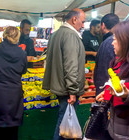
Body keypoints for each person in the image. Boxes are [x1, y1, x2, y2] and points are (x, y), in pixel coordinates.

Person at [42, 8, 86, 140]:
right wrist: (72, 90)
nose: (83, 25)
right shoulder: (71, 35)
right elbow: (71, 65)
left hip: (60, 85)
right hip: (67, 89)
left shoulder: (57, 34)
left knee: (64, 123)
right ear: (74, 19)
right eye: (82, 22)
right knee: (64, 127)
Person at [0, 26, 27, 140]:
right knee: (11, 132)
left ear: (4, 35)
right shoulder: (22, 53)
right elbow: (23, 70)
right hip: (14, 97)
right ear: (17, 37)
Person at [93, 13, 119, 96]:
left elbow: (105, 71)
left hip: (107, 91)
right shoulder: (118, 40)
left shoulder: (109, 43)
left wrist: (104, 92)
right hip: (114, 88)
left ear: (103, 25)